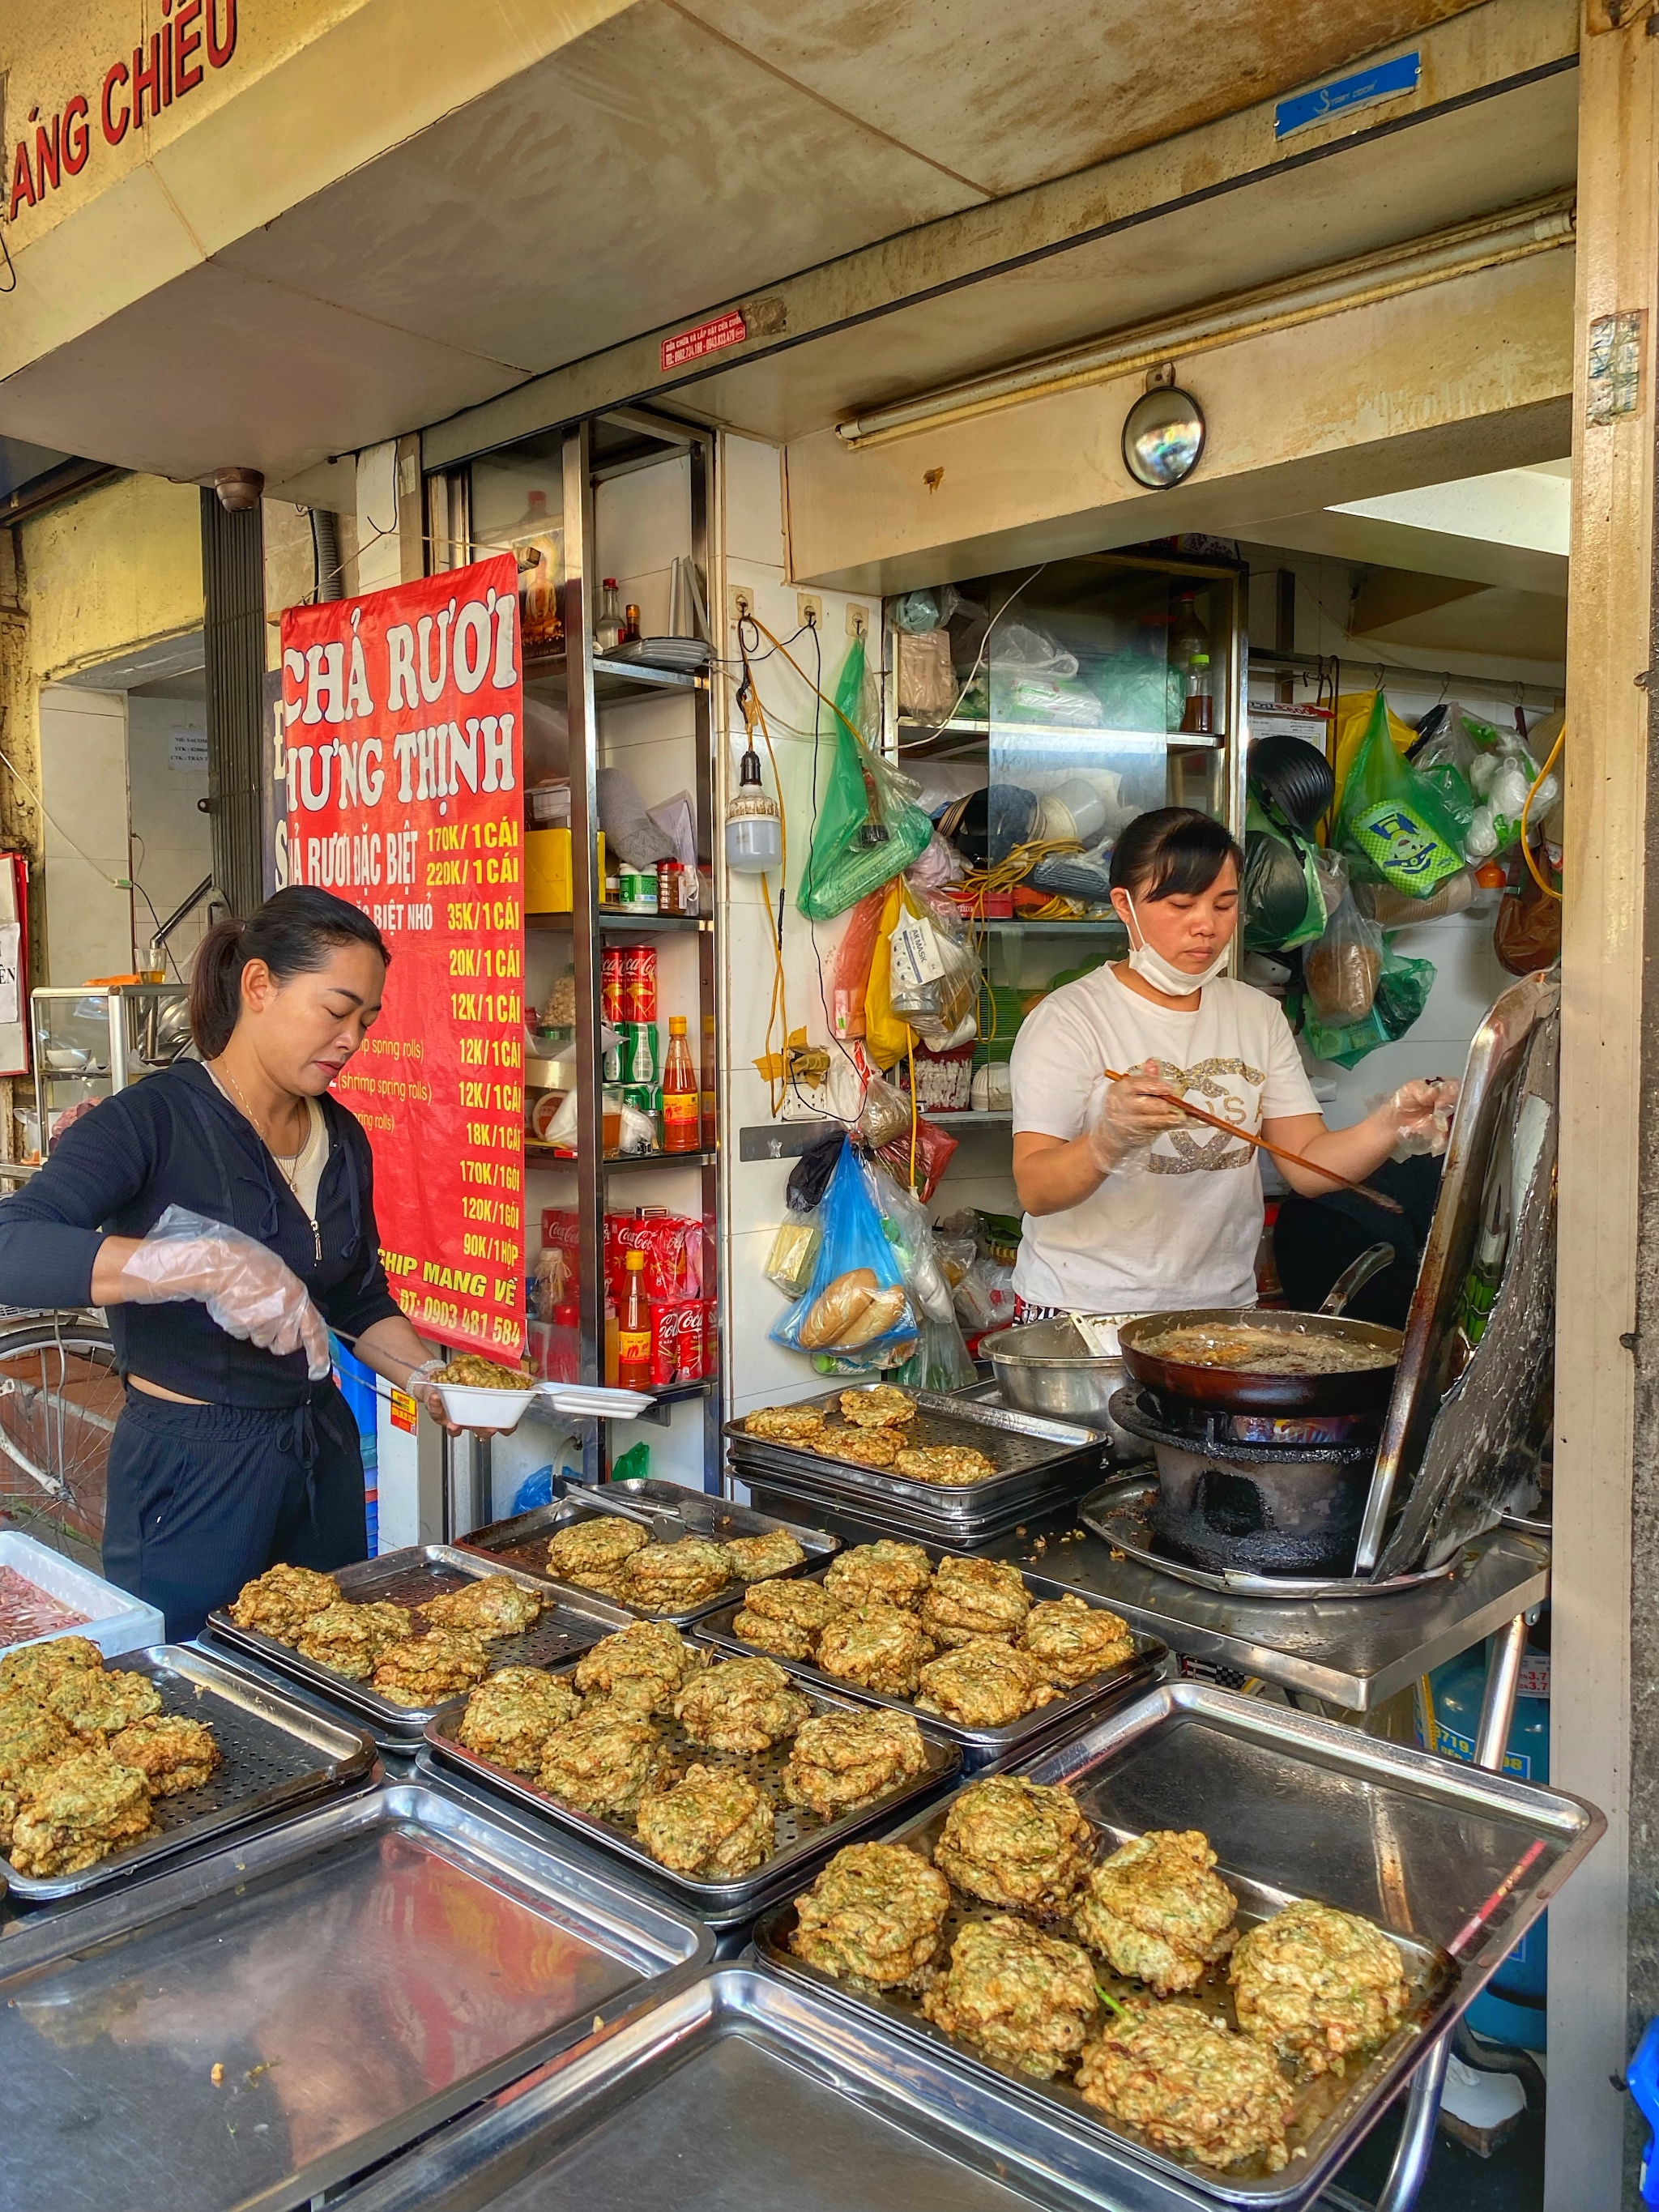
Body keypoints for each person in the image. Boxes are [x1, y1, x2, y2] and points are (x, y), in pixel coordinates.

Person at [0, 887, 485, 1639]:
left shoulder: (342, 1138)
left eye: (366, 1020)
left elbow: (358, 1298)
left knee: (326, 1668)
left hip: (318, 1463)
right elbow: (13, 1243)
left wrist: (428, 1378)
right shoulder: (153, 1120)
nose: (351, 1039)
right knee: (190, 1688)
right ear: (259, 985)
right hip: (191, 1478)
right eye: (336, 1010)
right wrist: (199, 1264)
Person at [1009, 808, 1453, 1319]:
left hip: (1219, 1310)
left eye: (1224, 904)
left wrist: (1390, 1123)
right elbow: (1035, 1188)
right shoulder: (1069, 1018)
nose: (1206, 926)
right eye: (1181, 905)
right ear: (1124, 905)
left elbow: (1306, 1163)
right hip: (1085, 1309)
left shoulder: (1256, 1016)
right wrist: (1108, 1140)